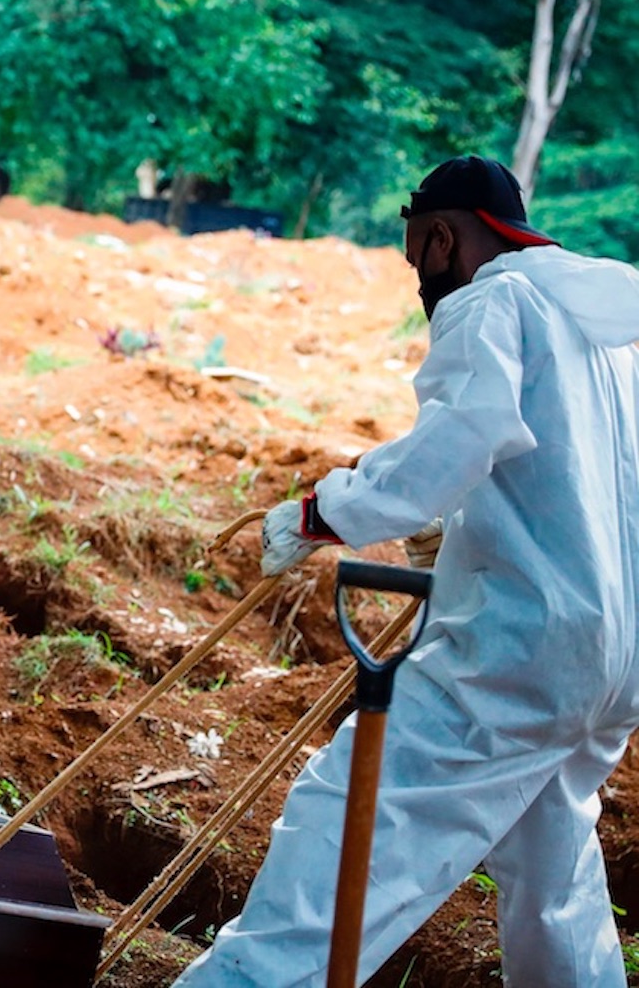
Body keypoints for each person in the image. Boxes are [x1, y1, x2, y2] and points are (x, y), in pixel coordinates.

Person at [177, 156, 639, 986]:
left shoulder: (490, 301)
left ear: (440, 237)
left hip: (521, 656)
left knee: (350, 822)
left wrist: (323, 514)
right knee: (554, 883)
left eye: (414, 256)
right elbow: (561, 486)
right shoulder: (602, 339)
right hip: (613, 660)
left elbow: (460, 440)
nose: (419, 279)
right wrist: (456, 522)